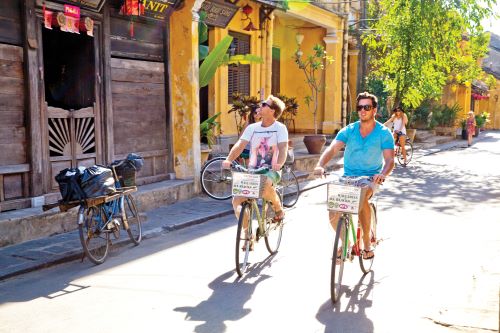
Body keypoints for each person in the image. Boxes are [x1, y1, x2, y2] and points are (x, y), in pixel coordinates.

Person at [313, 92, 395, 260]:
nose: (363, 110)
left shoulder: (384, 133)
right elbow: (332, 149)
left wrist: (382, 174)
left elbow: (390, 160)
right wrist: (320, 165)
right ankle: (347, 243)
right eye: (360, 107)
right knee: (333, 209)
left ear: (374, 110)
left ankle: (366, 242)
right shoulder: (349, 130)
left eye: (367, 107)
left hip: (371, 178)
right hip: (348, 177)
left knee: (362, 195)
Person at [222, 95, 288, 245]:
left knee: (265, 187)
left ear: (272, 111)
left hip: (271, 169)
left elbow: (283, 148)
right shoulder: (252, 128)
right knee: (237, 201)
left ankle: (278, 208)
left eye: (264, 104)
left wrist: (279, 163)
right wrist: (229, 159)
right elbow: (240, 145)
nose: (261, 105)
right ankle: (248, 234)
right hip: (252, 170)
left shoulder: (280, 128)